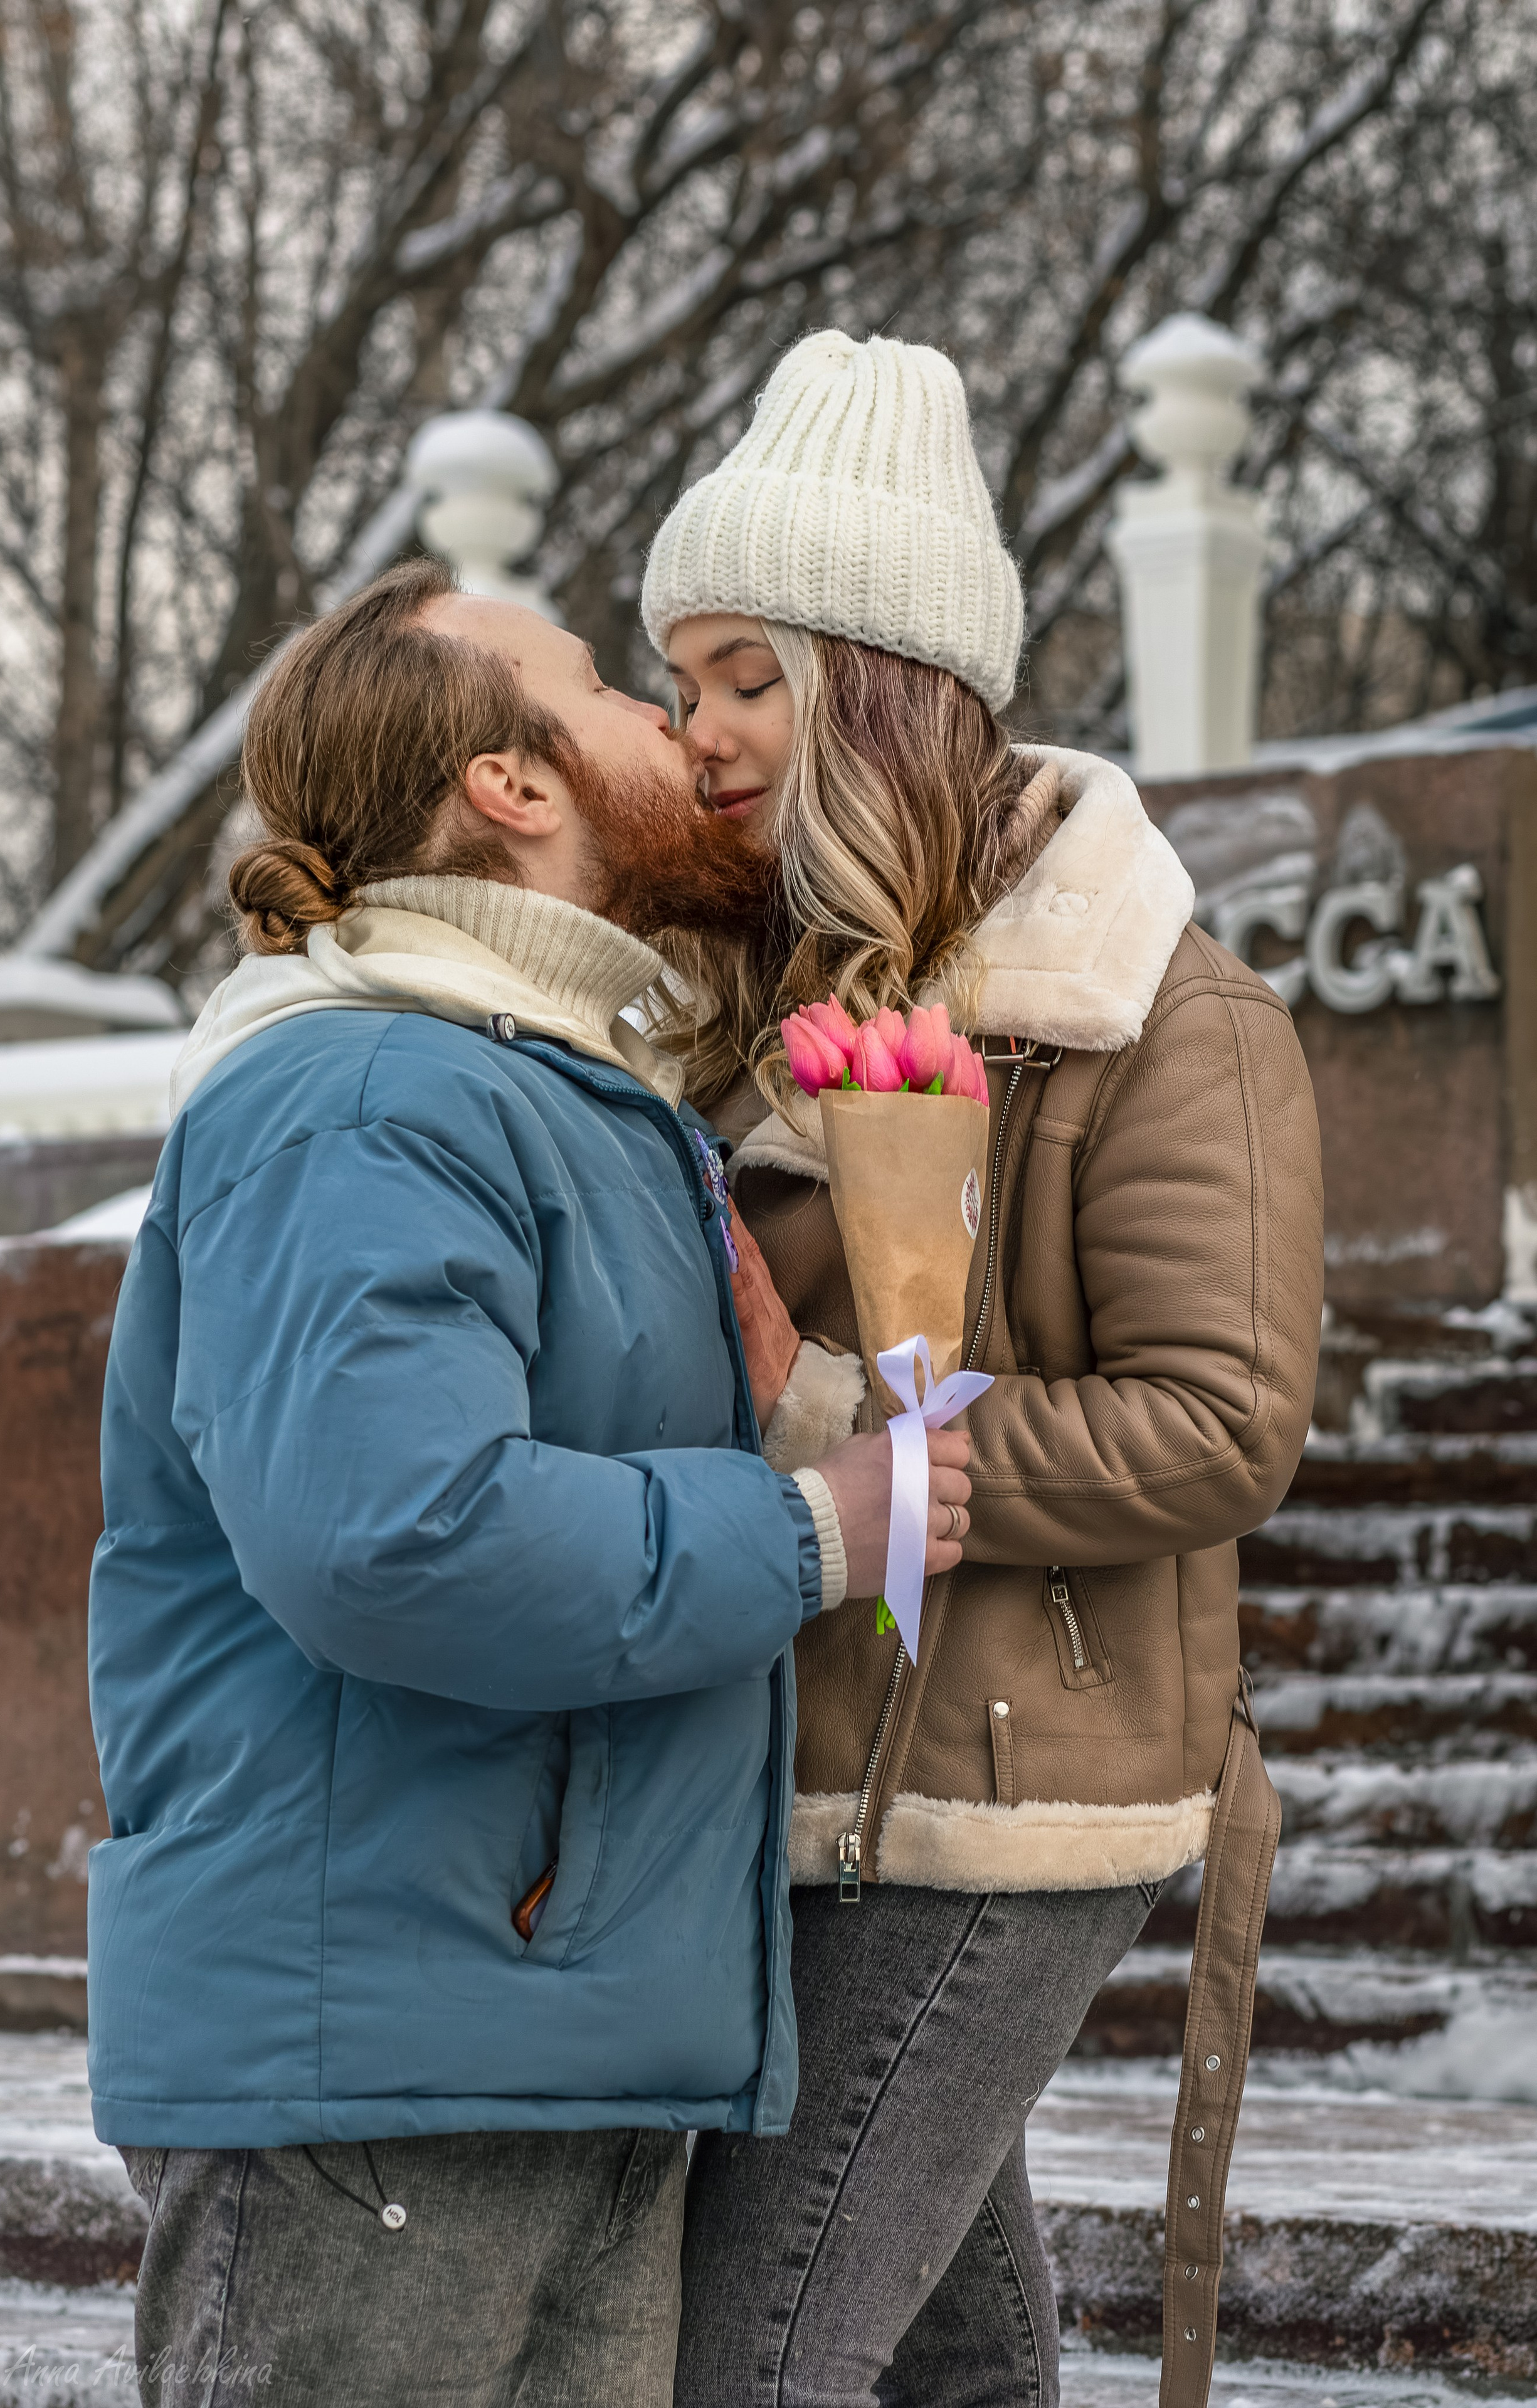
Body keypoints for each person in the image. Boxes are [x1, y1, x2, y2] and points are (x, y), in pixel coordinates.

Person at [86, 556, 974, 2408]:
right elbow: (394, 1535)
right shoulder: (360, 1094)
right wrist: (817, 1532)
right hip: (385, 2076)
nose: (673, 721)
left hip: (550, 2046)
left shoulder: (559, 1097)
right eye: (604, 685)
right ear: (511, 784)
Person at [638, 331, 1325, 2408]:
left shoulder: (1162, 1019)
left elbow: (1224, 1422)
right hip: (796, 1776)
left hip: (1014, 1798)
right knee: (955, 2368)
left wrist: (851, 1440)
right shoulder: (745, 996)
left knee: (750, 2355)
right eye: (679, 683)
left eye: (749, 674)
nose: (699, 732)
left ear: (886, 678)